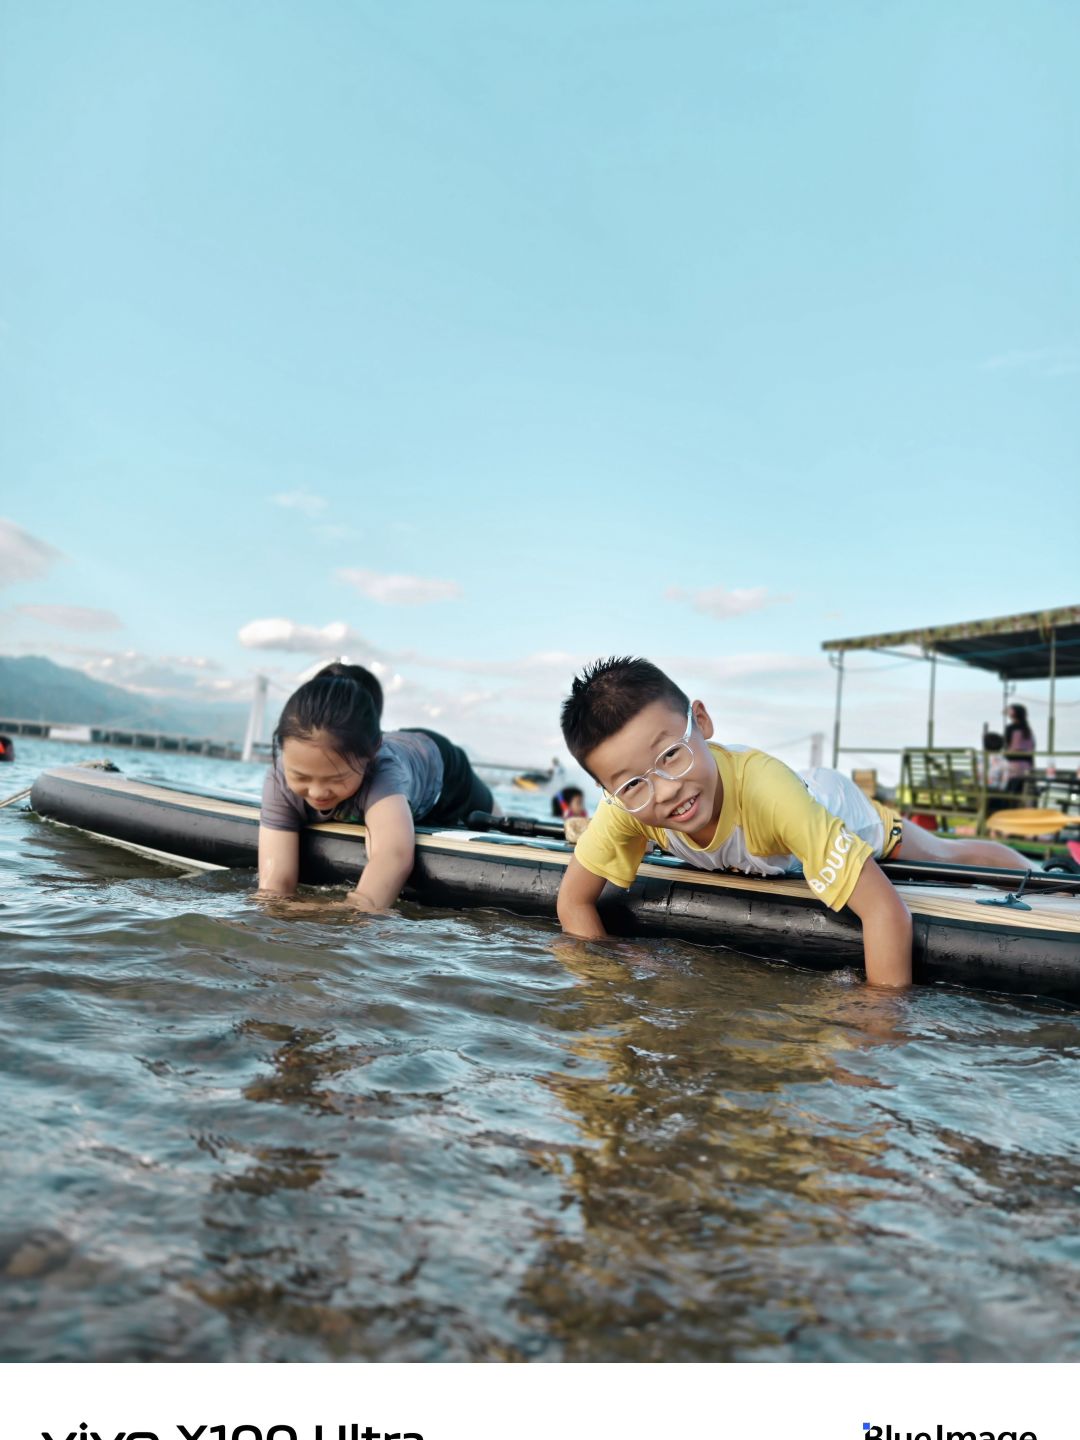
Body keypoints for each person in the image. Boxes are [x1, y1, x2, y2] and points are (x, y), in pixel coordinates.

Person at [556, 657, 1033, 989]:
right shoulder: (626, 806)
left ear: (701, 721)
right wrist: (609, 971)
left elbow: (887, 912)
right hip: (777, 824)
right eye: (633, 783)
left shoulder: (768, 794)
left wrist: (877, 1019)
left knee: (944, 854)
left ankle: (1050, 879)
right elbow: (573, 901)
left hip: (828, 804)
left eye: (672, 755)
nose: (664, 790)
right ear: (610, 789)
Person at [258, 662, 494, 910]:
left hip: (444, 771)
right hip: (389, 752)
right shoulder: (279, 777)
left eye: (335, 779)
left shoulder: (383, 772)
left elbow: (393, 857)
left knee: (492, 816)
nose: (317, 792)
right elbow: (275, 883)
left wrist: (347, 912)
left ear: (371, 755)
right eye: (302, 777)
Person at [1004, 703, 1036, 792]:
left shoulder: (1010, 728)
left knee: (1010, 791)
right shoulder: (1027, 729)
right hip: (1026, 765)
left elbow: (1007, 745)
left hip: (1013, 765)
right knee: (1020, 791)